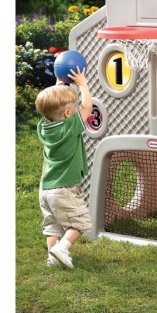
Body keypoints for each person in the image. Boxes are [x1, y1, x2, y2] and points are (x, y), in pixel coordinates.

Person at [35, 67, 93, 269]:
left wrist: (59, 85)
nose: (77, 109)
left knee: (52, 226)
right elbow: (88, 106)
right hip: (64, 188)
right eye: (74, 107)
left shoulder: (44, 126)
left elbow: (52, 106)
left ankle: (52, 258)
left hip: (45, 188)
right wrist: (83, 84)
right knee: (80, 222)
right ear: (68, 113)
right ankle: (62, 248)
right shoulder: (70, 125)